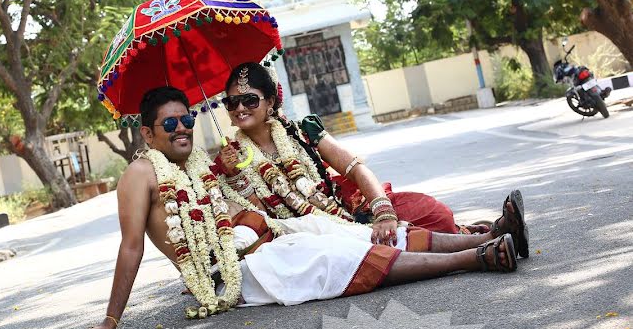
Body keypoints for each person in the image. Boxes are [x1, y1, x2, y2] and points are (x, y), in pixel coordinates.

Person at [60, 86, 528, 329]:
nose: (183, 128)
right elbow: (131, 246)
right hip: (233, 275)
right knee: (337, 261)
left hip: (264, 243)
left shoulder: (202, 164)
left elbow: (246, 208)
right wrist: (110, 320)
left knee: (352, 240)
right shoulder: (140, 174)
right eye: (170, 123)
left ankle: (489, 239)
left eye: (187, 119)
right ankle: (480, 257)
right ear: (148, 131)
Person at [215, 62, 513, 246]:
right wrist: (235, 176)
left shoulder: (302, 132)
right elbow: (256, 218)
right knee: (400, 240)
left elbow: (356, 169)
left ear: (270, 102)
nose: (240, 108)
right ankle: (486, 240)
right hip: (302, 236)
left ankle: (484, 234)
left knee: (431, 213)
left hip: (347, 208)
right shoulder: (228, 160)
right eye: (232, 102)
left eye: (249, 100)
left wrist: (383, 213)